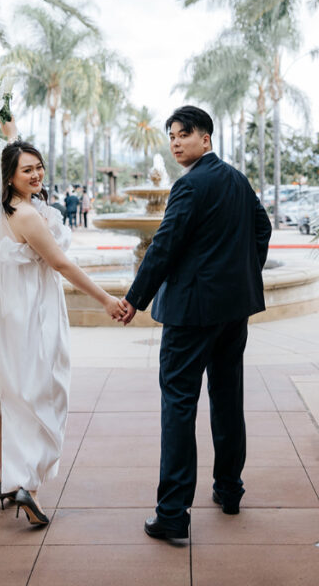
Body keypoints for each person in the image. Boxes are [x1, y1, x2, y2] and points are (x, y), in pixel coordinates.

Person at [0, 121, 127, 528]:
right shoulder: (28, 215)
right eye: (26, 169)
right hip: (30, 309)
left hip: (8, 306)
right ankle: (20, 481)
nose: (35, 174)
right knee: (36, 388)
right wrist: (105, 299)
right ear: (9, 177)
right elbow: (62, 263)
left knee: (8, 388)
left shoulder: (5, 210)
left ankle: (8, 480)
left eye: (38, 167)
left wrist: (10, 132)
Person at [120, 105, 271, 540]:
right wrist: (239, 277)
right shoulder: (237, 180)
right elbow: (262, 229)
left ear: (206, 139)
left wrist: (134, 299)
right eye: (171, 136)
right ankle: (229, 489)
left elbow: (163, 248)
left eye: (184, 134)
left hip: (190, 315)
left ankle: (172, 513)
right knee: (227, 398)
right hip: (232, 311)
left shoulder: (189, 186)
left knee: (179, 405)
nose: (175, 143)